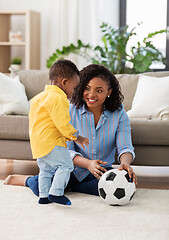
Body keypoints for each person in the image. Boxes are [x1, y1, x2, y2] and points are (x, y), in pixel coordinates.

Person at [4, 63, 137, 199]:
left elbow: (125, 147)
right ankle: (26, 180)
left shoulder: (119, 114)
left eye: (99, 90)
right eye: (87, 88)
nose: (91, 95)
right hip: (73, 169)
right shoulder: (69, 110)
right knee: (44, 189)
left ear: (109, 92)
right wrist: (87, 163)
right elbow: (66, 149)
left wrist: (125, 163)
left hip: (101, 170)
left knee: (116, 187)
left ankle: (71, 187)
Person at [28, 60, 89, 205]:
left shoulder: (38, 98)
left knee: (45, 170)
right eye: (74, 88)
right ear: (64, 82)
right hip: (52, 142)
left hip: (37, 144)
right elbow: (62, 123)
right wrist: (76, 137)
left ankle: (43, 196)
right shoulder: (58, 98)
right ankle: (56, 193)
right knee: (67, 166)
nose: (74, 92)